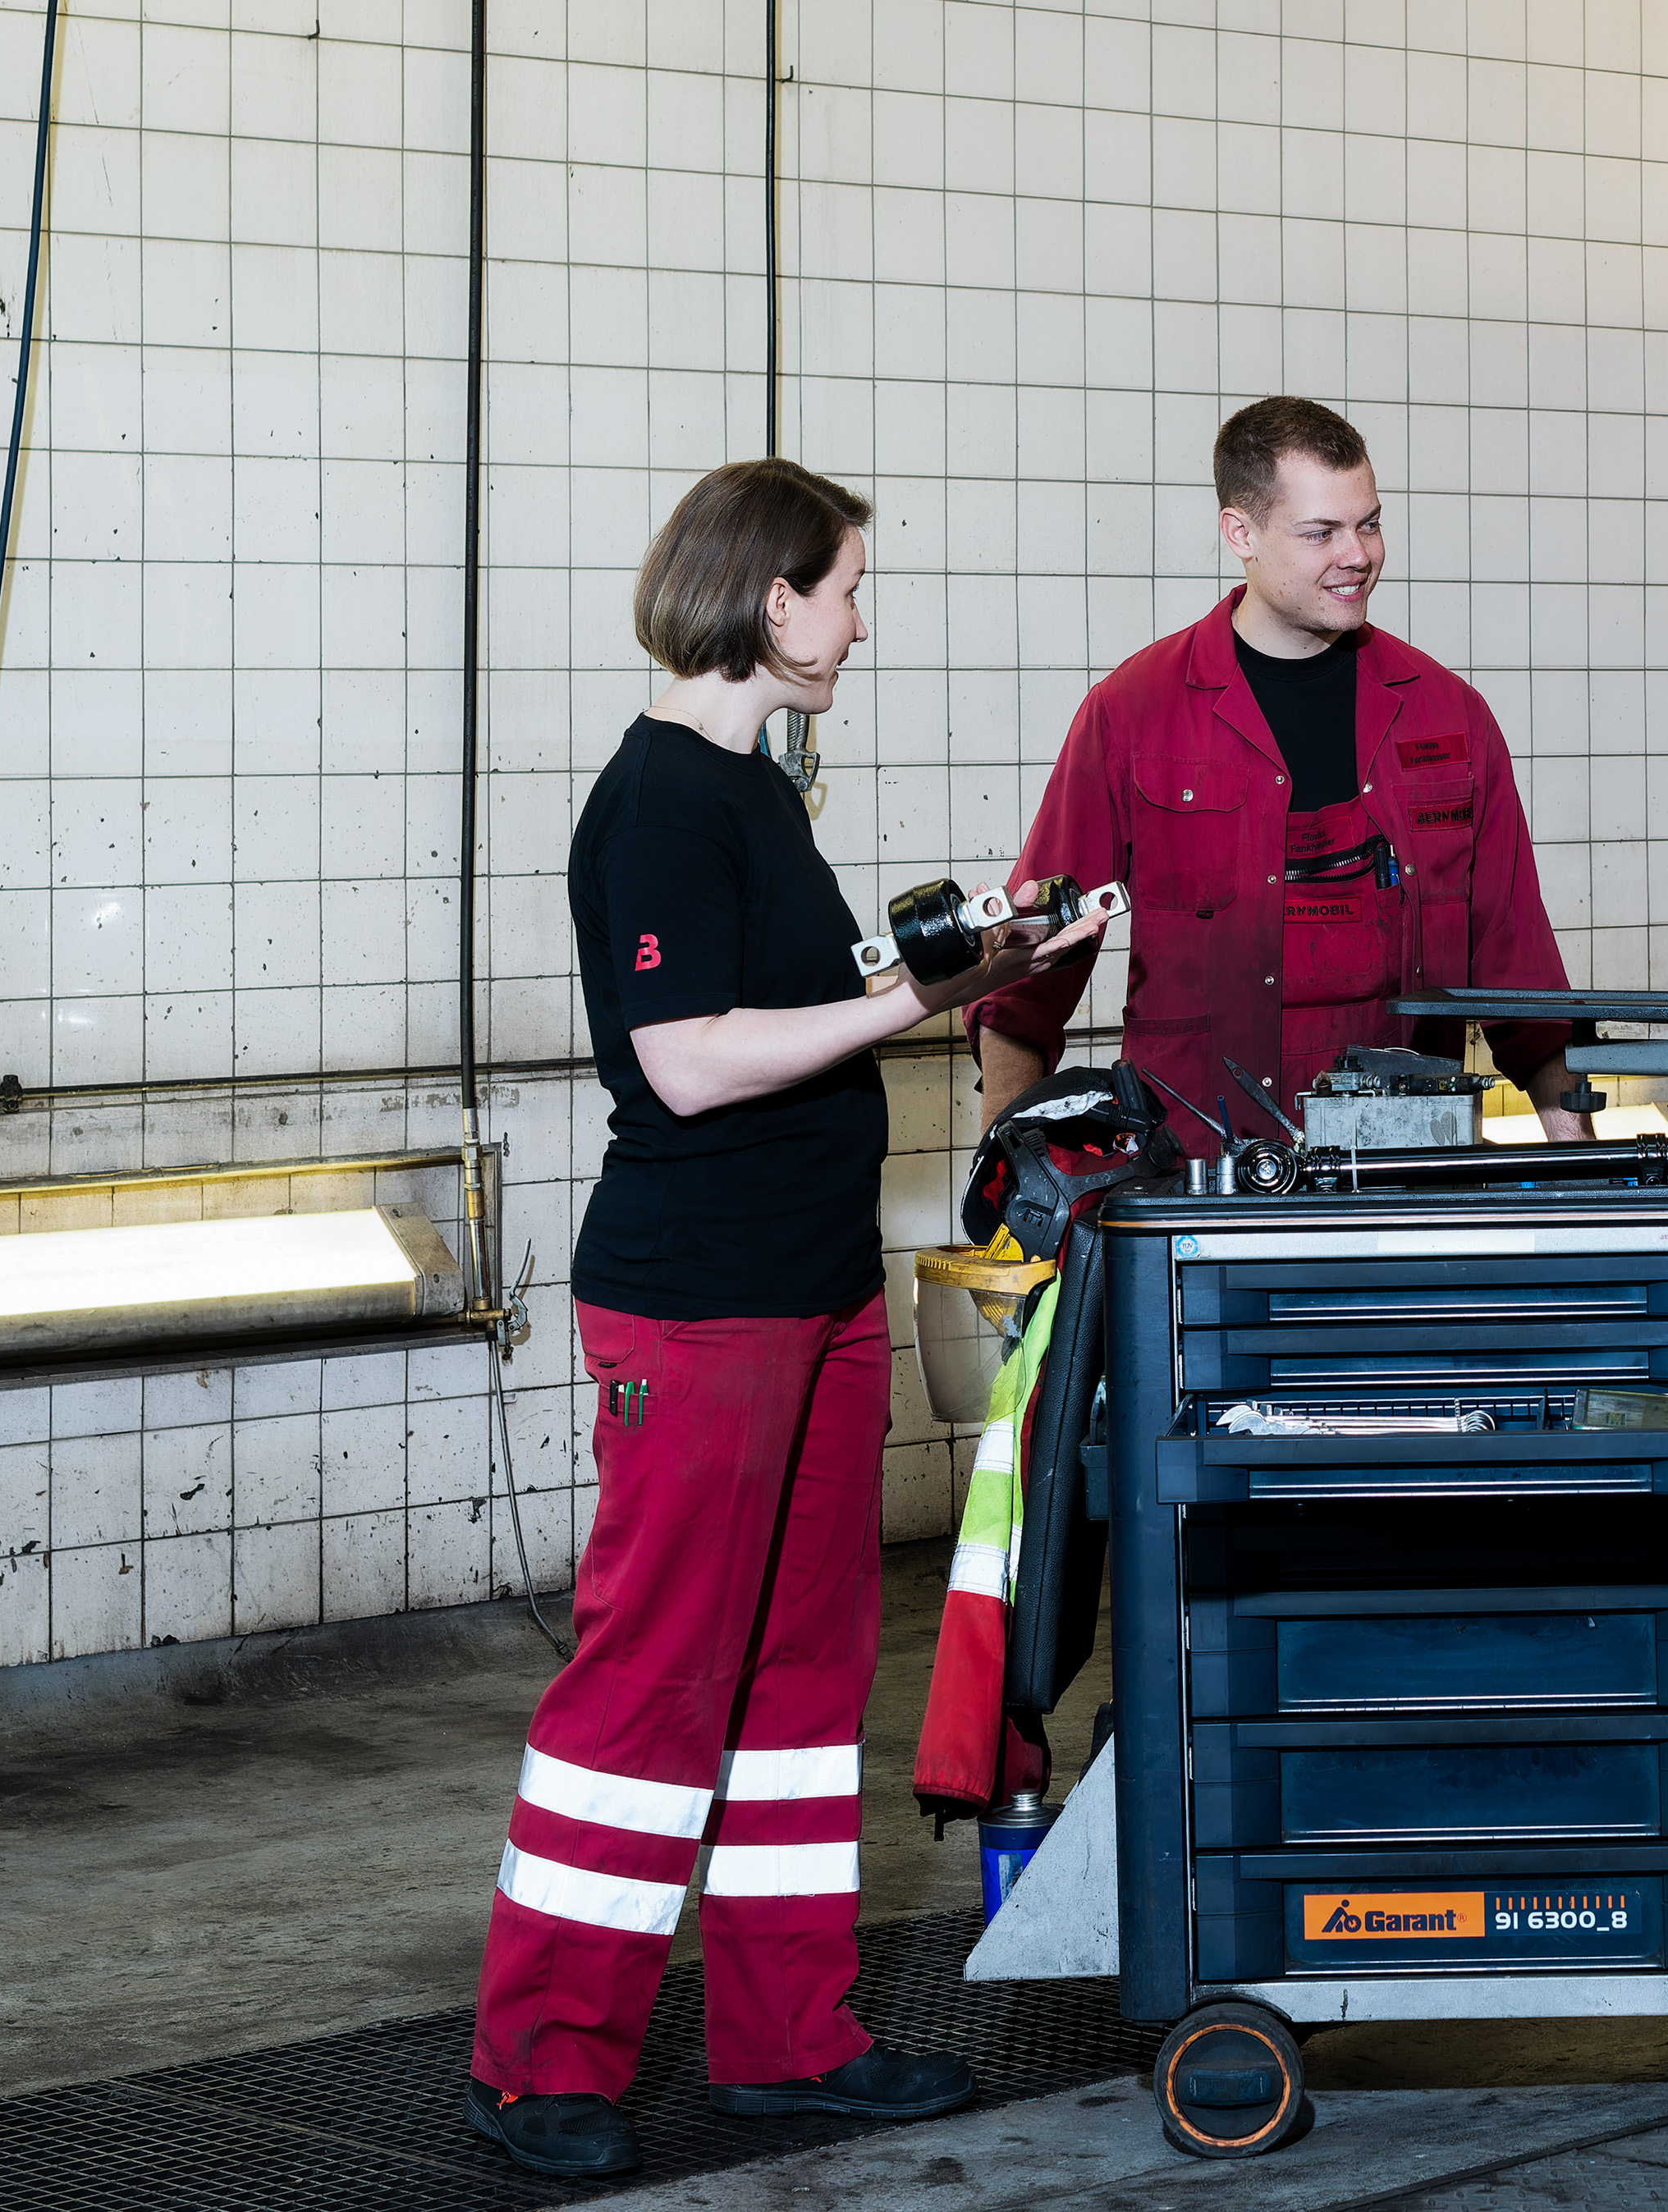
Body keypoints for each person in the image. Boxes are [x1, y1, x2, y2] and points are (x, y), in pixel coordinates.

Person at [462, 458, 1101, 2180]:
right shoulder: (661, 800)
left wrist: (973, 963)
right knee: (655, 1676)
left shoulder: (758, 796)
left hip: (814, 1292)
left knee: (806, 1677)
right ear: (771, 600)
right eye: (846, 586)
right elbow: (688, 1057)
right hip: (704, 1301)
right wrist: (912, 992)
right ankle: (544, 2061)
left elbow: (805, 1013)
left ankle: (786, 2033)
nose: (859, 617)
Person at [969, 396, 1590, 1139]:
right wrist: (1006, 1176)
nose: (1357, 553)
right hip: (1200, 1175)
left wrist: (1579, 1154)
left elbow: (1517, 966)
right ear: (1242, 532)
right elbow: (1035, 970)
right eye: (1320, 532)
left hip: (1408, 1172)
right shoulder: (1133, 713)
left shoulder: (1448, 716)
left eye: (1370, 523)